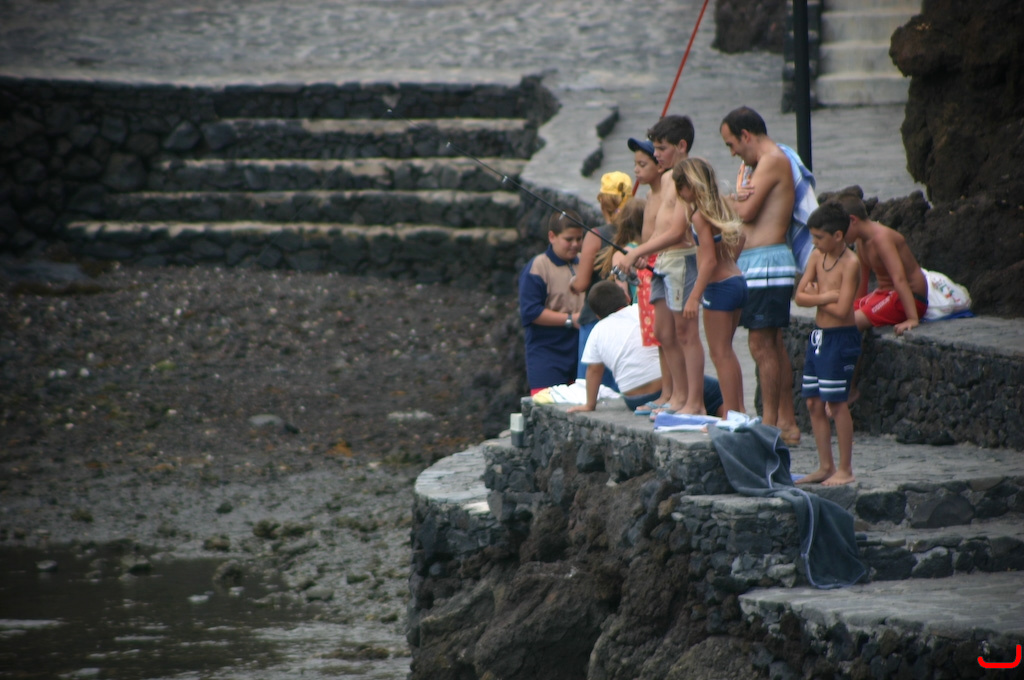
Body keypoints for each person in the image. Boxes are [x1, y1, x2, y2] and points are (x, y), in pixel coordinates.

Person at [720, 106, 800, 444]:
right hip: (758, 263)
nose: (732, 152)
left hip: (768, 263)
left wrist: (725, 199)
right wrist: (734, 198)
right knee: (772, 345)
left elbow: (747, 211)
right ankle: (785, 423)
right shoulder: (758, 165)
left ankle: (769, 426)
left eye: (731, 144)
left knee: (760, 344)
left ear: (746, 135)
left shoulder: (771, 160)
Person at [619, 115, 705, 416]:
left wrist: (635, 253)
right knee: (664, 332)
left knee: (686, 333)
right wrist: (645, 253)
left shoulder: (686, 176)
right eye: (654, 148)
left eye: (661, 148)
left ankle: (694, 401)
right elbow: (661, 227)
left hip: (680, 261)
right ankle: (677, 396)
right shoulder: (668, 177)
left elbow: (677, 230)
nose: (656, 154)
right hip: (662, 261)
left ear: (681, 146)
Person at [567, 281, 725, 418]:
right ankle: (727, 424)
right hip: (666, 389)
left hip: (633, 399)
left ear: (597, 315)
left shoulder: (596, 331)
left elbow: (593, 371)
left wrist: (590, 404)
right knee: (719, 392)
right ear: (627, 297)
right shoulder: (642, 312)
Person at [794, 201, 862, 486]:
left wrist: (816, 296)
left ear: (837, 235)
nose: (814, 242)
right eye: (813, 236)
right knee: (813, 401)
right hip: (819, 336)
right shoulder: (815, 257)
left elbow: (844, 309)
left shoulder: (851, 263)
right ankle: (825, 466)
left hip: (840, 338)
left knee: (836, 403)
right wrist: (824, 296)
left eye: (819, 237)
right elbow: (799, 297)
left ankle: (845, 469)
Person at [674, 157, 748, 415]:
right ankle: (738, 411)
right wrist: (730, 262)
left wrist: (694, 297)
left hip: (719, 289)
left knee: (719, 354)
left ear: (691, 185)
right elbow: (742, 236)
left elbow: (708, 261)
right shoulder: (723, 206)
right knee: (727, 351)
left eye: (680, 187)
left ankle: (732, 416)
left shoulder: (699, 216)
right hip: (737, 281)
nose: (679, 193)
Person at [570, 171, 634, 388]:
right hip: (627, 319)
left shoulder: (595, 235)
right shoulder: (639, 233)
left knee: (590, 387)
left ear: (602, 202)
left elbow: (581, 284)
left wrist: (572, 282)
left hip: (595, 318)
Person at [836, 188, 928, 336]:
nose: (839, 236)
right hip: (885, 295)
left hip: (908, 298)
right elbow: (862, 280)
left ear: (853, 220)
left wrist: (912, 318)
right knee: (838, 316)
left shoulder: (881, 239)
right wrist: (857, 306)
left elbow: (899, 278)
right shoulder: (861, 241)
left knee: (850, 322)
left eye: (840, 230)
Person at [518, 210, 585, 394]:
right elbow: (531, 312)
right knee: (545, 404)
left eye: (579, 239)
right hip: (547, 353)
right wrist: (571, 319)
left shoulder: (585, 263)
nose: (575, 244)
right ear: (552, 237)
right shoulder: (538, 267)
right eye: (569, 239)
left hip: (580, 352)